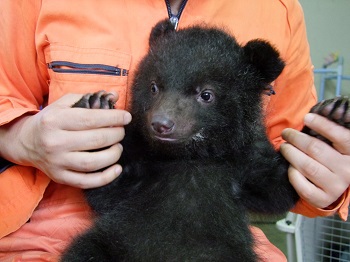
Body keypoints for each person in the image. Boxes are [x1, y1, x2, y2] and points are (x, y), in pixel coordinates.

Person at [0, 0, 349, 261]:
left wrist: (324, 155)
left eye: (205, 96)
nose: (161, 117)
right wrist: (21, 137)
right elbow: (107, 190)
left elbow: (281, 186)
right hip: (58, 240)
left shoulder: (278, 10)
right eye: (155, 90)